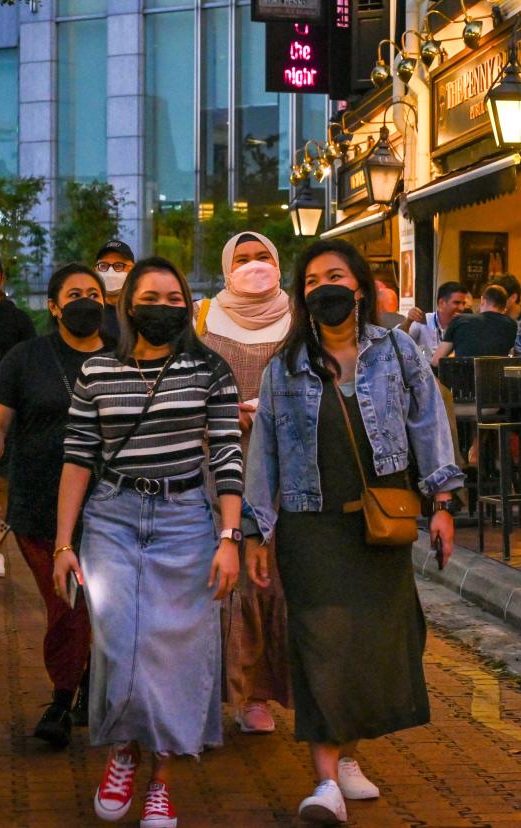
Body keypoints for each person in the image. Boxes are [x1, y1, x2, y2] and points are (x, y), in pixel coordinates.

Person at [244, 238, 463, 824]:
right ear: (302, 296)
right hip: (309, 526)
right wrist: (255, 531)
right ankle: (325, 784)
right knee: (321, 643)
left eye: (334, 277)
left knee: (370, 644)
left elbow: (429, 423)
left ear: (360, 287)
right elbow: (263, 453)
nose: (325, 289)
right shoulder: (283, 367)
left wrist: (442, 502)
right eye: (313, 281)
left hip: (379, 523)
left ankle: (345, 758)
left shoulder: (396, 350)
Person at [53, 256, 242, 827]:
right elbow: (78, 459)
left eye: (173, 298)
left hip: (187, 517)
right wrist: (64, 543)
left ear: (188, 305)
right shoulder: (97, 374)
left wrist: (230, 535)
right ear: (126, 305)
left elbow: (229, 454)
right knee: (119, 641)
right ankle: (122, 751)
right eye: (150, 298)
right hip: (112, 517)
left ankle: (161, 779)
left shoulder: (211, 370)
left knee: (175, 652)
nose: (163, 308)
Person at [0, 264, 109, 746]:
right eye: (74, 294)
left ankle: (88, 680)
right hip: (37, 506)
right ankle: (64, 695)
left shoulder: (123, 359)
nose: (86, 301)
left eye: (94, 293)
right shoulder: (27, 358)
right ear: (54, 306)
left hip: (109, 508)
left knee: (101, 604)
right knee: (65, 603)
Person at [196, 231, 293, 735]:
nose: (253, 266)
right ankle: (213, 692)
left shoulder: (299, 318)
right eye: (242, 258)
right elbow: (184, 383)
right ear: (225, 266)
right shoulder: (202, 317)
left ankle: (257, 691)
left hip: (284, 467)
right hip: (217, 465)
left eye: (262, 257)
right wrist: (219, 415)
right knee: (220, 576)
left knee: (272, 577)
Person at [430, 283, 517, 366]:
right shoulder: (512, 325)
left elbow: (436, 361)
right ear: (505, 305)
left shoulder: (461, 320)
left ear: (482, 300)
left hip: (463, 379)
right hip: (496, 379)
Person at [407, 281, 469, 363]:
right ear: (441, 303)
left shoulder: (464, 326)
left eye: (463, 303)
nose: (461, 308)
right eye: (456, 303)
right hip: (426, 373)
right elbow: (397, 339)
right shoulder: (424, 320)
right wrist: (408, 321)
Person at [95, 239, 136, 341]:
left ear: (133, 270)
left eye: (118, 266)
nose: (110, 272)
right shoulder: (90, 312)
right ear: (95, 270)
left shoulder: (139, 311)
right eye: (103, 266)